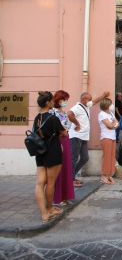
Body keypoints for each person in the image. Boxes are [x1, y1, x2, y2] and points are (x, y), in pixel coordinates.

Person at [33, 91, 68, 222]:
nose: (54, 103)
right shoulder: (53, 118)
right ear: (48, 103)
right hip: (52, 150)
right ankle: (50, 208)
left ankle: (44, 213)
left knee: (39, 183)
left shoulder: (37, 118)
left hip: (40, 151)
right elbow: (64, 133)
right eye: (52, 101)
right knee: (51, 182)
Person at [68, 91, 110, 187]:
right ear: (83, 100)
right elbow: (69, 114)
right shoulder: (77, 108)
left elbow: (94, 102)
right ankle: (70, 179)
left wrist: (103, 96)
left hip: (83, 137)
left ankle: (72, 176)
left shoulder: (85, 106)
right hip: (76, 136)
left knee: (84, 157)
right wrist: (77, 124)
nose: (90, 101)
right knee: (73, 158)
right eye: (89, 99)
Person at [50, 90, 75, 206]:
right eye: (64, 99)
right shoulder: (52, 112)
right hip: (57, 140)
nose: (65, 102)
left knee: (66, 167)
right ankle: (58, 197)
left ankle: (66, 195)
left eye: (66, 100)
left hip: (66, 138)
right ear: (58, 100)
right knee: (58, 169)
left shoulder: (63, 112)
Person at [98, 98, 119, 184]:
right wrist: (113, 124)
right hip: (106, 137)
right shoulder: (102, 114)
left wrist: (113, 124)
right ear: (106, 105)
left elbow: (118, 124)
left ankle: (109, 174)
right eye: (110, 104)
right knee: (106, 156)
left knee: (112, 156)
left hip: (113, 137)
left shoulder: (111, 114)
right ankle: (103, 175)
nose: (112, 106)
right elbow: (110, 125)